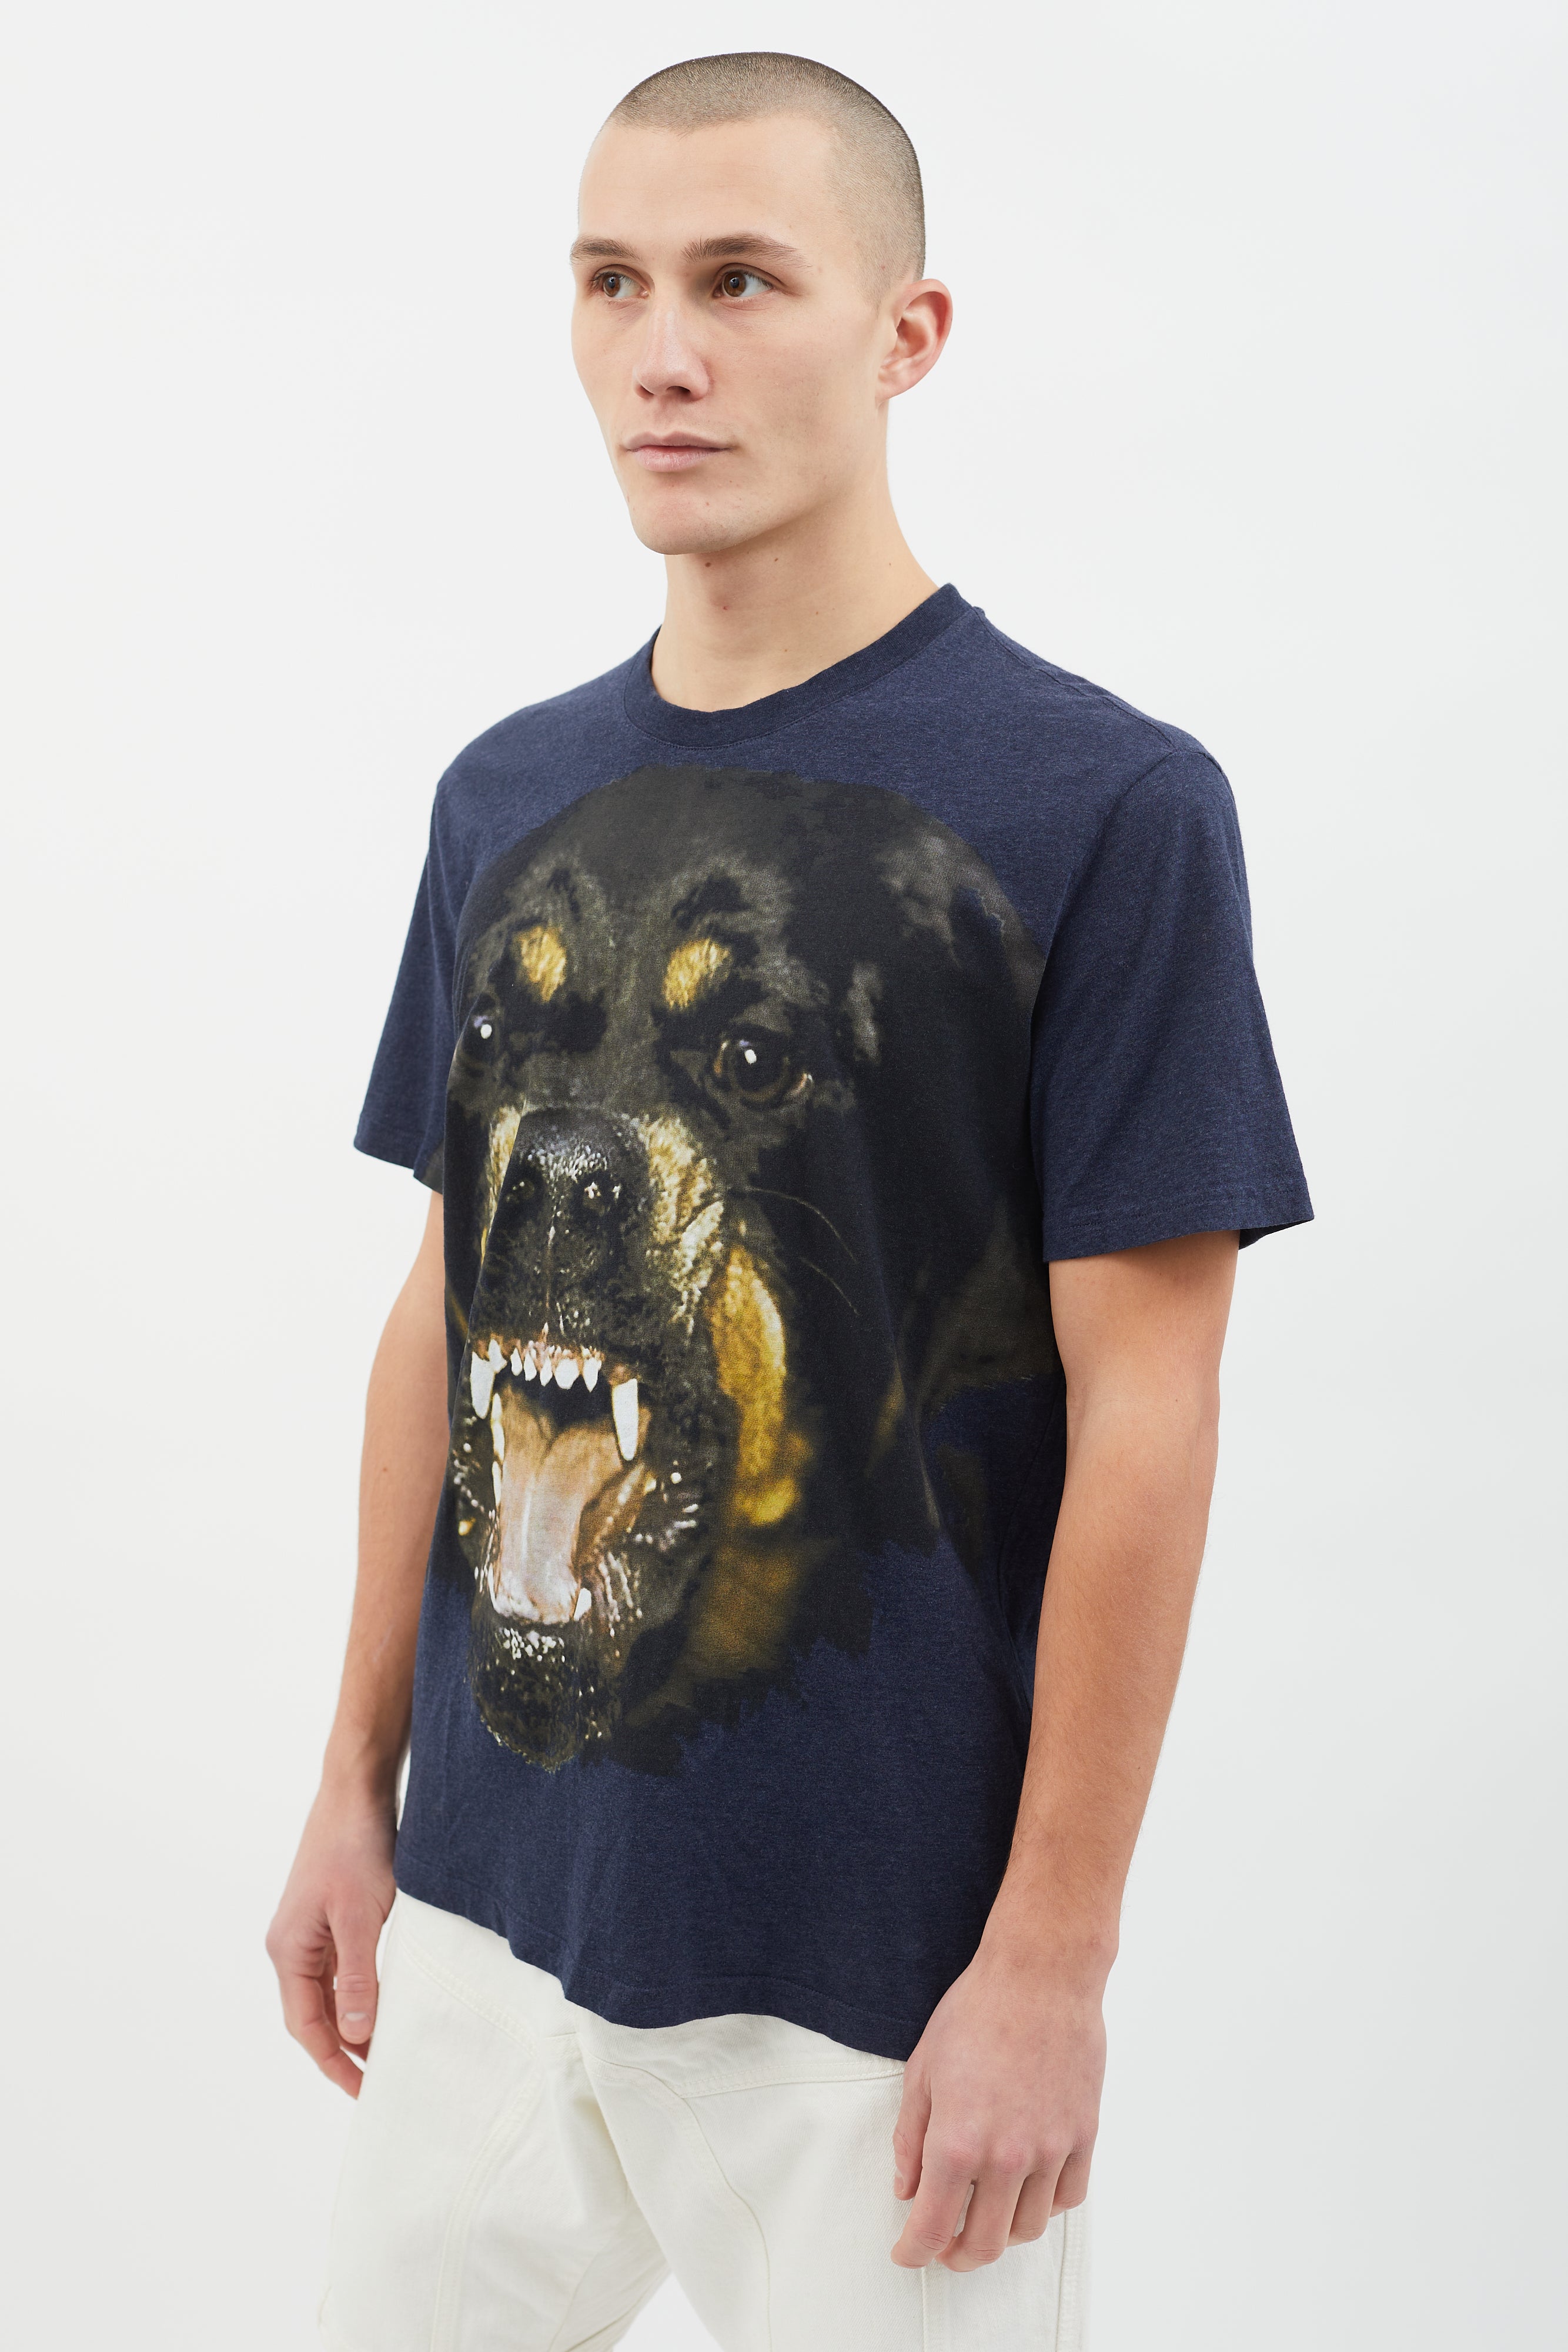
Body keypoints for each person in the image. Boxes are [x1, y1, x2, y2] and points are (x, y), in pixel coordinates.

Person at [267, 50, 1311, 2352]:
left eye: (740, 280)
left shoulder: (1102, 805)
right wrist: (355, 1782)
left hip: (874, 1980)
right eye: (612, 282)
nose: (664, 350)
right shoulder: (506, 795)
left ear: (903, 332)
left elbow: (1151, 1409)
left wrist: (1052, 1957)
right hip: (489, 1917)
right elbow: (442, 1302)